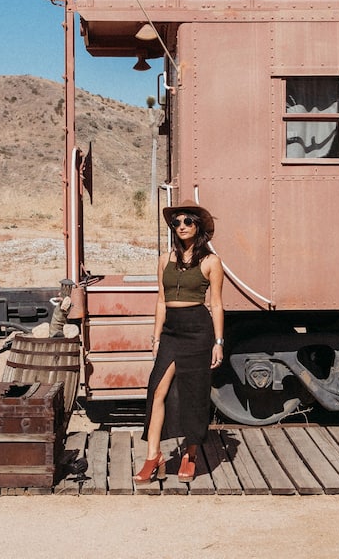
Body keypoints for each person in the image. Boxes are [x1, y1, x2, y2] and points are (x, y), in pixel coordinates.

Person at [135, 204, 225, 483]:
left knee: (194, 394)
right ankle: (154, 456)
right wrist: (156, 337)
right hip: (172, 332)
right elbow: (161, 301)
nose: (181, 226)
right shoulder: (165, 259)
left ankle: (191, 453)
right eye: (176, 222)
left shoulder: (211, 262)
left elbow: (217, 304)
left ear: (198, 226)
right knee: (157, 391)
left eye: (187, 221)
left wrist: (218, 342)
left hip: (198, 330)